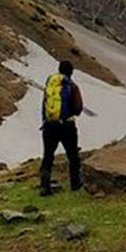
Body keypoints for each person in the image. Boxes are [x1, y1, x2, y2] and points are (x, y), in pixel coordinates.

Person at [39, 60, 84, 196]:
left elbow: (44, 105)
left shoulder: (50, 84)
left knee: (48, 156)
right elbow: (78, 108)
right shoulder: (72, 86)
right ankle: (75, 184)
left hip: (49, 125)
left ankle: (44, 187)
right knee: (72, 156)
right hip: (67, 125)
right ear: (71, 72)